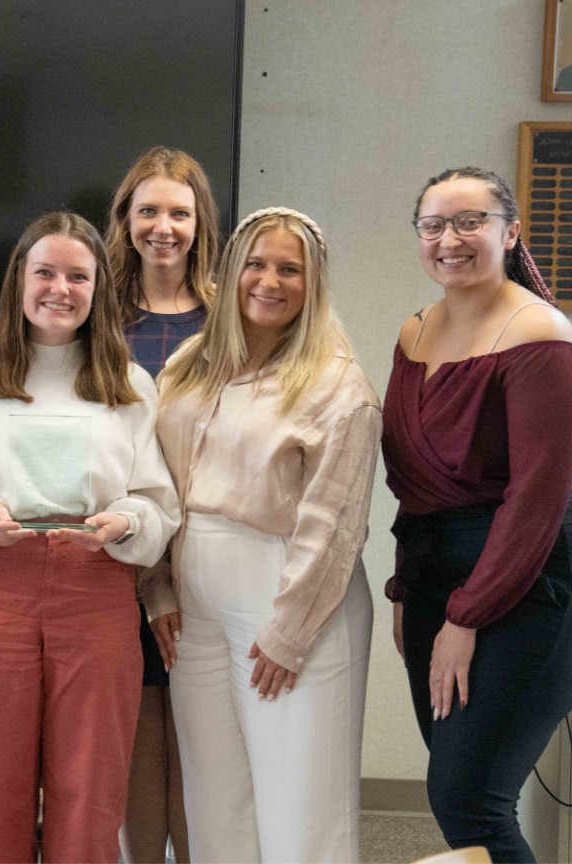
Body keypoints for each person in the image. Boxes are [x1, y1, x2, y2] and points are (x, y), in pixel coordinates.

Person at [0, 212, 179, 863]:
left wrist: (126, 522)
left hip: (97, 596)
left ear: (99, 288)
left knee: (91, 792)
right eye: (45, 272)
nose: (60, 289)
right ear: (20, 281)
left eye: (78, 275)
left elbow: (158, 505)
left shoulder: (129, 385)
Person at [148, 207, 379, 862]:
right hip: (195, 606)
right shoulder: (191, 365)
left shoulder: (337, 384)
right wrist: (158, 588)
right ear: (231, 272)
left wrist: (290, 629)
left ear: (315, 284)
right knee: (214, 803)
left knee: (300, 812)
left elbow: (335, 520)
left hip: (287, 599)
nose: (269, 281)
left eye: (289, 269)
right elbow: (161, 481)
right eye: (256, 263)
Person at [383, 167, 572, 862]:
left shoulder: (541, 334)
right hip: (434, 574)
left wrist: (468, 616)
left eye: (471, 222)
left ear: (510, 231)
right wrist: (407, 590)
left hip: (526, 583)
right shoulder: (414, 331)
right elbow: (412, 486)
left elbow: (539, 498)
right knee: (459, 789)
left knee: (470, 799)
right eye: (433, 225)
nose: (450, 239)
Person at [101, 145, 220, 864]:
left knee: (202, 743)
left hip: (209, 559)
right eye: (148, 210)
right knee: (138, 739)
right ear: (126, 219)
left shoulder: (233, 318)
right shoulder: (98, 317)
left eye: (179, 212)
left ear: (200, 220)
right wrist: (150, 579)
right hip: (127, 560)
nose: (163, 227)